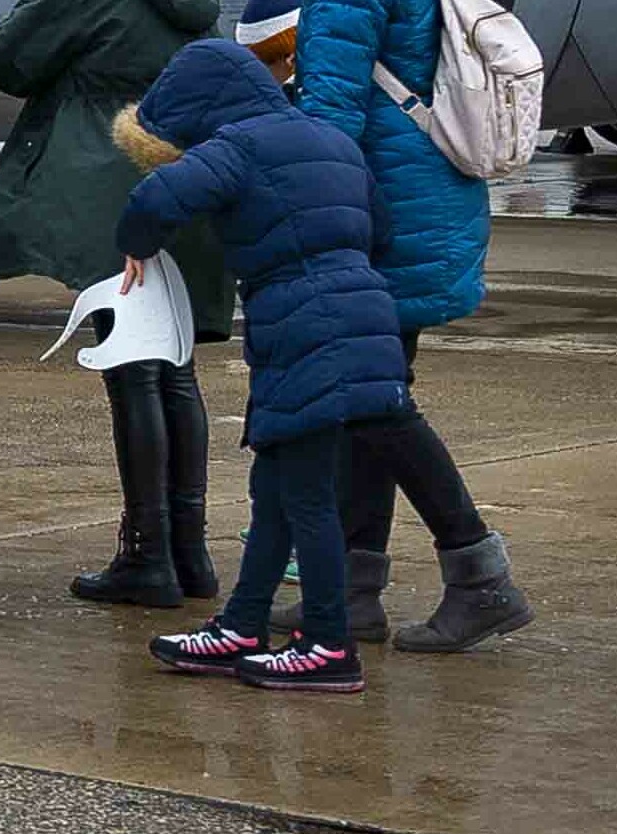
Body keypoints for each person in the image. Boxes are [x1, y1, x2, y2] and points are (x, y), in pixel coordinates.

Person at [284, 0, 540, 653]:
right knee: (368, 397)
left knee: (371, 399)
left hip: (376, 213)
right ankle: (352, 591)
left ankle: (480, 570)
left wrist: (308, 215)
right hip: (427, 201)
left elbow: (328, 106)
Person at [0, 0, 225, 607]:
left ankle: (146, 554)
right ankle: (188, 550)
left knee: (131, 368)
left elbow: (11, 59)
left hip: (104, 179)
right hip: (178, 175)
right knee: (171, 366)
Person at [123, 40, 408, 692]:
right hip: (359, 319)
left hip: (304, 329)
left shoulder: (237, 145)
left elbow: (153, 200)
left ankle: (329, 645)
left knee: (305, 496)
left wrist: (135, 249)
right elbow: (382, 229)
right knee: (276, 490)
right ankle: (243, 624)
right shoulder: (326, 135)